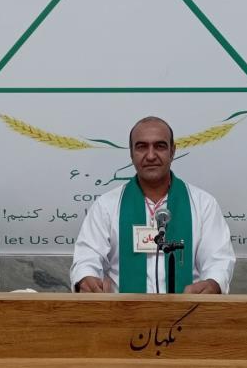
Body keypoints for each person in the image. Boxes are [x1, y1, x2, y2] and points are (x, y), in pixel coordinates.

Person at [70, 117, 235, 294]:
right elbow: (87, 258)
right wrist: (86, 278)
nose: (150, 156)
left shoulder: (204, 204)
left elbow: (218, 261)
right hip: (123, 310)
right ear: (131, 153)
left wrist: (214, 283)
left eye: (160, 146)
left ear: (172, 151)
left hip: (187, 309)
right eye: (141, 147)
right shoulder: (106, 206)